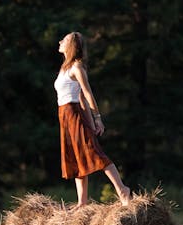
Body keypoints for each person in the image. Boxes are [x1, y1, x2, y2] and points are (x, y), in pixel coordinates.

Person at [54, 31, 131, 207]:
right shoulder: (65, 68)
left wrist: (97, 118)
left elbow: (87, 94)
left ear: (71, 45)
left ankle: (122, 190)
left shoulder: (77, 68)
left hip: (74, 115)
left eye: (63, 40)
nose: (59, 42)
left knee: (95, 153)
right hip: (65, 116)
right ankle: (82, 202)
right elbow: (80, 96)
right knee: (76, 157)